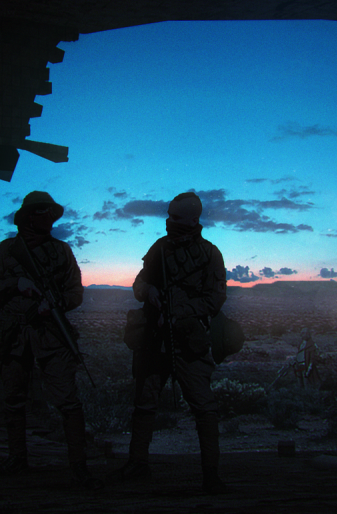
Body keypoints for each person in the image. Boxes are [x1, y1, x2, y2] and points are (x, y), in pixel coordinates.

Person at [0, 191, 101, 489]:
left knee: (68, 401)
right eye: (42, 212)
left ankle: (79, 466)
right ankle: (17, 458)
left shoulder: (61, 251)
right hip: (13, 335)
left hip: (50, 333)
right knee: (13, 399)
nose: (49, 218)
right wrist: (16, 284)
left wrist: (55, 303)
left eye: (51, 213)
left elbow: (75, 292)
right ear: (29, 217)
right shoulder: (7, 250)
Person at [111, 192, 229, 494]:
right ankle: (138, 464)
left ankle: (211, 475)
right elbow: (139, 283)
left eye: (176, 218)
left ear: (193, 219)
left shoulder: (210, 254)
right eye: (168, 215)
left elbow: (215, 299)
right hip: (154, 338)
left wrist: (179, 312)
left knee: (204, 407)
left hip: (189, 340)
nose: (169, 222)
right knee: (144, 403)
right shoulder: (159, 248)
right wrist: (148, 291)